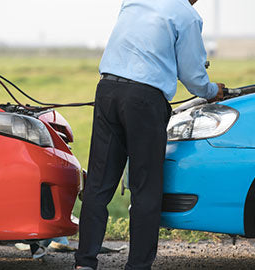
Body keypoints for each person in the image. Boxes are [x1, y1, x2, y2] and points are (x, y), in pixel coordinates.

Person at [74, 0, 224, 269]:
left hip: (107, 89)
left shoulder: (133, 0)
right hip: (144, 99)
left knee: (98, 183)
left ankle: (84, 262)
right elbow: (192, 75)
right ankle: (137, 266)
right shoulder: (187, 16)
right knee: (145, 188)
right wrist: (213, 90)